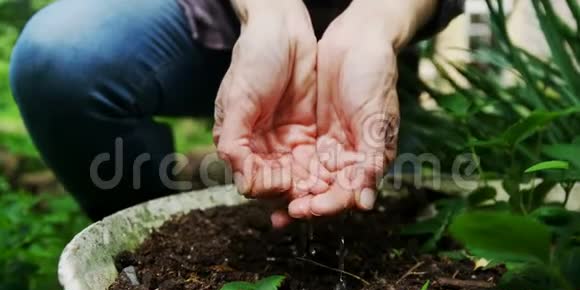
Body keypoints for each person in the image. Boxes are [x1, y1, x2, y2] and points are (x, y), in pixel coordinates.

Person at [9, 0, 463, 226]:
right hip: (214, 17)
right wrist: (267, 14)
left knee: (394, 204)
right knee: (63, 54)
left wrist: (376, 25)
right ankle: (143, 246)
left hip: (371, 44)